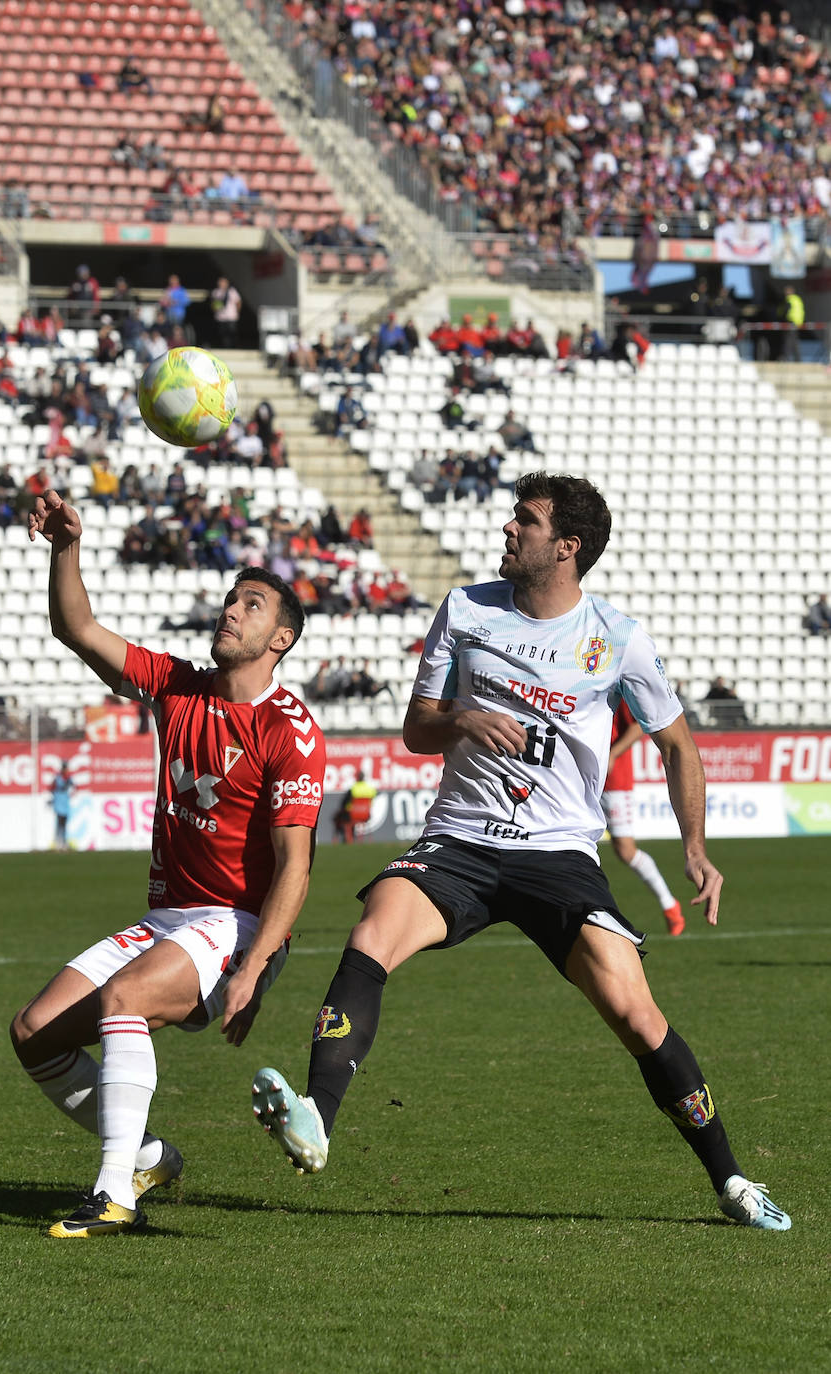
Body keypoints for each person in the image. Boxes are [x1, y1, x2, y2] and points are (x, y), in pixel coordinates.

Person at [251, 471, 791, 1232]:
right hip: (459, 841)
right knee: (372, 932)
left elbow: (677, 743)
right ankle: (317, 1119)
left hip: (561, 854)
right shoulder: (466, 609)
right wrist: (463, 723)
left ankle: (733, 1182)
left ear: (566, 547)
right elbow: (418, 729)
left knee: (637, 1016)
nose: (509, 531)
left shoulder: (617, 639)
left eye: (526, 523)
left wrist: (695, 847)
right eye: (514, 519)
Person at [11, 490, 325, 1238]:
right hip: (170, 918)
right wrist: (66, 547)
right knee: (36, 1032)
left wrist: (255, 965)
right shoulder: (178, 684)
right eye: (229, 600)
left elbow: (295, 867)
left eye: (251, 605)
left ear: (280, 638)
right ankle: (148, 1156)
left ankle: (114, 1193)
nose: (231, 611)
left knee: (123, 1000)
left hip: (238, 925)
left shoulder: (292, 730)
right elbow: (77, 628)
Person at [602, 701, 684, 936]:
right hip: (579, 775)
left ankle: (669, 906)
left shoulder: (615, 675)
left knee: (625, 850)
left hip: (613, 780)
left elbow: (639, 726)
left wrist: (612, 755)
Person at [50, 760, 75, 851]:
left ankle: (64, 843)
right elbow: (51, 788)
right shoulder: (58, 778)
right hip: (59, 802)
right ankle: (58, 843)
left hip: (65, 802)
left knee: (64, 823)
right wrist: (55, 797)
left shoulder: (68, 778)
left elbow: (75, 787)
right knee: (59, 823)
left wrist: (71, 795)